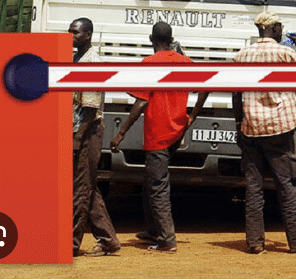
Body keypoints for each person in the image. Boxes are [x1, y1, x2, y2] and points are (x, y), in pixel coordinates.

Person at [230, 11, 296, 255]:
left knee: (254, 188)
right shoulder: (286, 53)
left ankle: (255, 242)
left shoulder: (242, 56)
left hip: (251, 128)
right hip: (280, 128)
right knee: (287, 186)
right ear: (276, 29)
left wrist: (239, 124)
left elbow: (236, 94)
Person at [110, 21, 201, 254]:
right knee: (150, 181)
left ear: (151, 40)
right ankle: (152, 229)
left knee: (157, 186)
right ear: (171, 41)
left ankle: (167, 239)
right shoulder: (185, 62)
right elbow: (206, 86)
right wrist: (192, 116)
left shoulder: (149, 63)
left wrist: (120, 133)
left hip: (157, 134)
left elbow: (141, 101)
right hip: (177, 130)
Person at [69, 18, 121, 257]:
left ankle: (70, 243)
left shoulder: (92, 62)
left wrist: (78, 138)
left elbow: (90, 106)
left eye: (75, 32)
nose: (70, 36)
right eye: (69, 31)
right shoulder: (76, 59)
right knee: (87, 186)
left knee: (80, 189)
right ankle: (108, 240)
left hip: (87, 131)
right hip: (79, 129)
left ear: (88, 35)